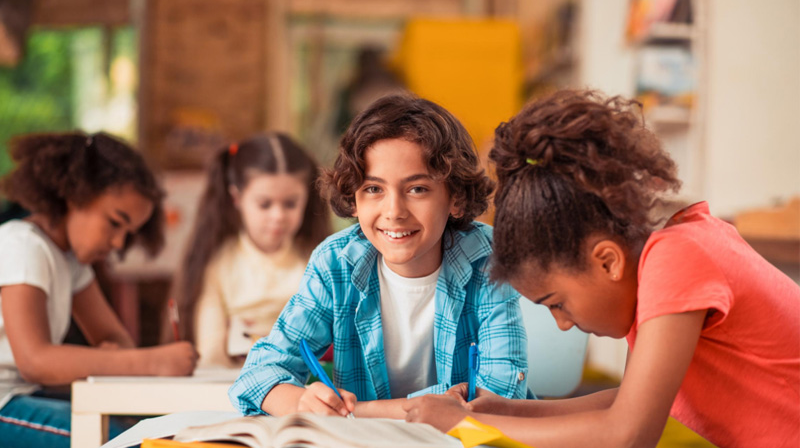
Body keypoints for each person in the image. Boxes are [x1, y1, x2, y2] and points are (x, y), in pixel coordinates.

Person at [403, 89, 800, 447]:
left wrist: (462, 427)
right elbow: (631, 400)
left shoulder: (677, 259)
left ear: (607, 260)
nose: (561, 323)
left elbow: (629, 433)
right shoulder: (666, 254)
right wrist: (503, 411)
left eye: (556, 303)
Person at [230, 94, 528, 419]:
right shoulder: (336, 263)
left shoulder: (487, 258)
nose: (394, 212)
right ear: (354, 201)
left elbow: (500, 395)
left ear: (455, 198)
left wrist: (357, 412)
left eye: (417, 189)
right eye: (374, 189)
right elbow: (257, 374)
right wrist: (302, 404)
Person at [0, 132, 198, 448]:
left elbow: (115, 340)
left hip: (27, 395)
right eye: (115, 222)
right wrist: (154, 361)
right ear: (75, 195)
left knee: (155, 435)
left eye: (128, 232)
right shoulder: (23, 245)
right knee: (129, 443)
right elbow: (36, 361)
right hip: (4, 402)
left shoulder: (71, 262)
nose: (119, 243)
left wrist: (95, 359)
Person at [175, 133, 331, 367]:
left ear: (307, 199)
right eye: (264, 204)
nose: (277, 216)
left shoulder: (318, 260)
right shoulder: (218, 265)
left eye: (290, 204)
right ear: (237, 198)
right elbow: (211, 357)